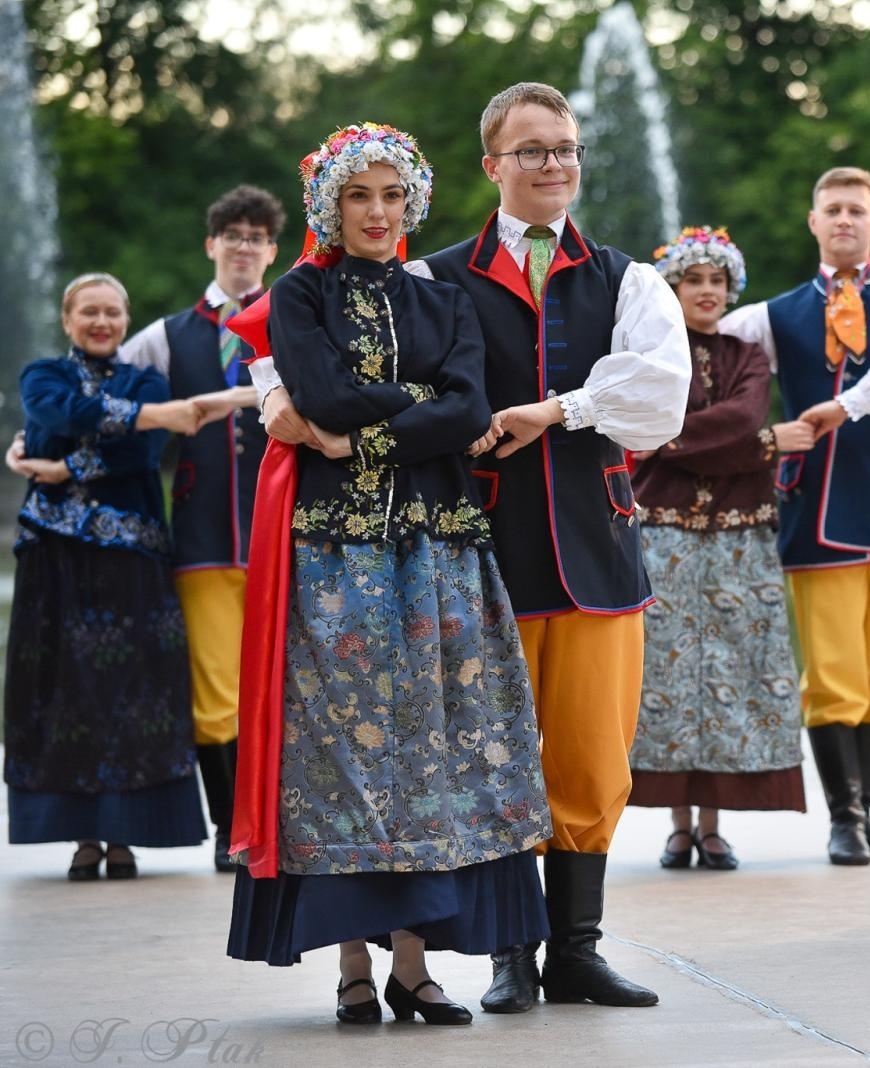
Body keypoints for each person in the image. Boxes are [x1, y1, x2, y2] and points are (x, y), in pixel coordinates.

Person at [251, 84, 690, 1010]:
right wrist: (276, 401)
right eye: (531, 150)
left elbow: (657, 399)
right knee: (484, 753)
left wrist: (559, 410)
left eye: (564, 147)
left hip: (595, 543)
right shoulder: (432, 275)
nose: (553, 165)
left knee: (592, 758)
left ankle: (576, 948)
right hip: (468, 546)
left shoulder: (625, 275)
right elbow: (303, 354)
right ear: (491, 166)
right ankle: (507, 957)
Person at [224, 123, 552, 1028]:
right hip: (335, 557)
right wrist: (415, 408)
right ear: (330, 205)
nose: (377, 212)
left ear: (413, 204)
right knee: (343, 751)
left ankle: (416, 965)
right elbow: (328, 394)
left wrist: (357, 434)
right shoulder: (299, 293)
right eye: (359, 195)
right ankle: (353, 966)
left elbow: (471, 409)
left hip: (438, 545)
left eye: (392, 196)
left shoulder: (439, 294)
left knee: (437, 748)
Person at [720, 167, 870, 867]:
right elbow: (710, 370)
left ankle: (869, 811)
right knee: (834, 671)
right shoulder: (770, 315)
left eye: (857, 209)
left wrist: (851, 403)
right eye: (833, 209)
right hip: (813, 497)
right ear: (813, 222)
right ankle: (843, 818)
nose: (845, 219)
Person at [4, 273, 209, 881]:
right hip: (54, 558)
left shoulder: (148, 379)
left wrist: (64, 466)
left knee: (138, 691)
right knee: (64, 689)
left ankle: (126, 838)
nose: (101, 323)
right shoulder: (43, 374)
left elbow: (143, 454)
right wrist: (142, 419)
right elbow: (55, 410)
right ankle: (83, 838)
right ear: (68, 320)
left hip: (133, 558)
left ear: (124, 320)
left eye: (112, 313)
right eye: (89, 312)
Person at [627, 226, 813, 871]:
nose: (706, 292)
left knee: (737, 667)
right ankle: (678, 826)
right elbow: (736, 428)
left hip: (740, 533)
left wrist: (667, 442)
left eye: (717, 281)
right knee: (669, 674)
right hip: (664, 532)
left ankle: (713, 824)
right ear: (672, 289)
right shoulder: (650, 357)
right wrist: (764, 444)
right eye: (693, 281)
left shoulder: (745, 354)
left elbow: (739, 419)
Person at [123, 185, 284, 872]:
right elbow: (101, 391)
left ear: (272, 251)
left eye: (256, 236)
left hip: (287, 537)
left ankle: (284, 822)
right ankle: (233, 831)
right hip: (202, 541)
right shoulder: (167, 335)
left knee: (286, 689)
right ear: (210, 245)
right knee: (216, 696)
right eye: (233, 234)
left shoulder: (294, 320)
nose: (244, 246)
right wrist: (33, 438)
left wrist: (229, 396)